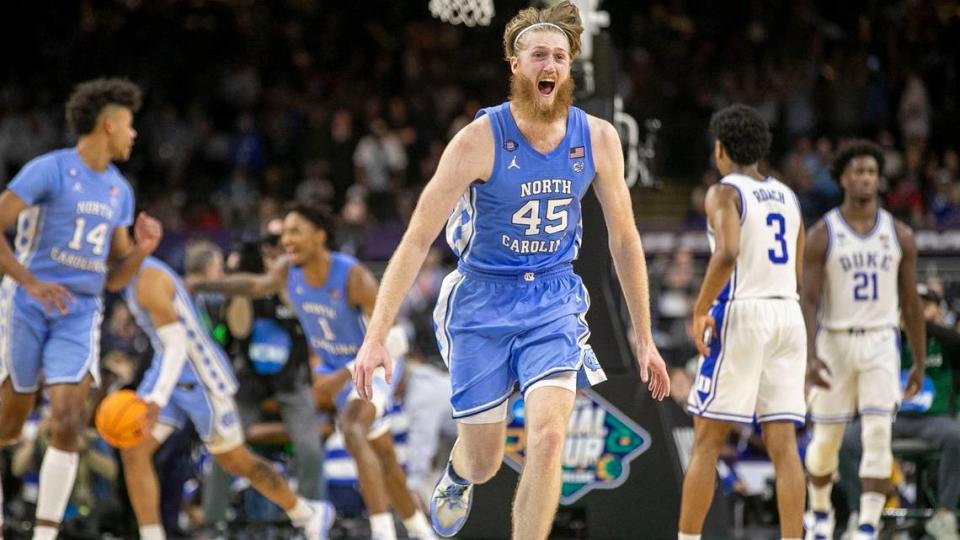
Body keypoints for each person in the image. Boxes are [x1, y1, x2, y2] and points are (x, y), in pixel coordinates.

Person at [351, 2, 670, 538]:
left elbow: (624, 238)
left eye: (560, 57)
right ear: (516, 66)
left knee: (548, 438)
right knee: (486, 462)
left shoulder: (598, 138)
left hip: (553, 297)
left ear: (570, 69)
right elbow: (415, 240)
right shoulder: (478, 140)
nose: (550, 64)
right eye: (539, 55)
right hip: (481, 300)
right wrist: (376, 336)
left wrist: (646, 337)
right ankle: (458, 471)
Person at [189, 204, 436, 540]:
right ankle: (420, 529)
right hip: (338, 372)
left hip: (372, 365)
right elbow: (255, 286)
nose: (287, 240)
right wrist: (206, 286)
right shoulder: (286, 271)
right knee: (386, 459)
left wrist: (348, 371)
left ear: (319, 235)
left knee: (352, 429)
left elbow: (395, 338)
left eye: (295, 231)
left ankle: (382, 531)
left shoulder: (352, 276)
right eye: (285, 233)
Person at [0, 78, 163, 540]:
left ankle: (44, 535)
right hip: (26, 305)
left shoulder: (120, 192)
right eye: (129, 125)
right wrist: (30, 280)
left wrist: (144, 249)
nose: (134, 135)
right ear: (108, 124)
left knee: (69, 420)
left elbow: (114, 276)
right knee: (9, 423)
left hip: (80, 312)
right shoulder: (48, 170)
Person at [117, 246, 334, 540]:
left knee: (234, 459)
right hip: (169, 368)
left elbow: (201, 337)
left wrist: (154, 397)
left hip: (203, 375)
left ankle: (305, 511)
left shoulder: (150, 278)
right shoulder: (132, 280)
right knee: (134, 449)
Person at [678, 104, 808, 540]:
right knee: (784, 447)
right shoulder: (788, 196)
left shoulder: (724, 192)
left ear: (720, 149)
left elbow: (728, 252)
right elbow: (799, 272)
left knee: (707, 440)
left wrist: (699, 309)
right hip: (787, 313)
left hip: (744, 311)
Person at [802, 139, 925, 540]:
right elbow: (810, 299)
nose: (866, 178)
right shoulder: (824, 233)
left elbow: (911, 302)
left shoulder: (900, 234)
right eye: (858, 171)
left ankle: (868, 526)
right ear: (842, 178)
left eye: (871, 172)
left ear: (879, 179)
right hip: (834, 342)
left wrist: (919, 361)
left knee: (877, 434)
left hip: (880, 341)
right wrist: (808, 355)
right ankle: (819, 512)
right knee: (826, 441)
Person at [203, 228, 324, 525]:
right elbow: (240, 329)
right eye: (268, 255)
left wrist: (278, 281)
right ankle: (213, 522)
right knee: (223, 449)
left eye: (279, 254)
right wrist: (246, 285)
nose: (273, 260)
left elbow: (306, 319)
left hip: (291, 381)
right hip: (249, 383)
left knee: (310, 450)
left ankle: (311, 520)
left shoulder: (302, 282)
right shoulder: (247, 286)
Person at [838, 284, 960, 540]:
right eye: (910, 304)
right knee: (848, 440)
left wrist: (919, 324)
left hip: (933, 421)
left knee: (956, 437)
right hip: (889, 419)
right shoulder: (886, 339)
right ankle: (860, 516)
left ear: (937, 311)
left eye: (923, 305)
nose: (914, 310)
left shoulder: (945, 341)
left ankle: (945, 515)